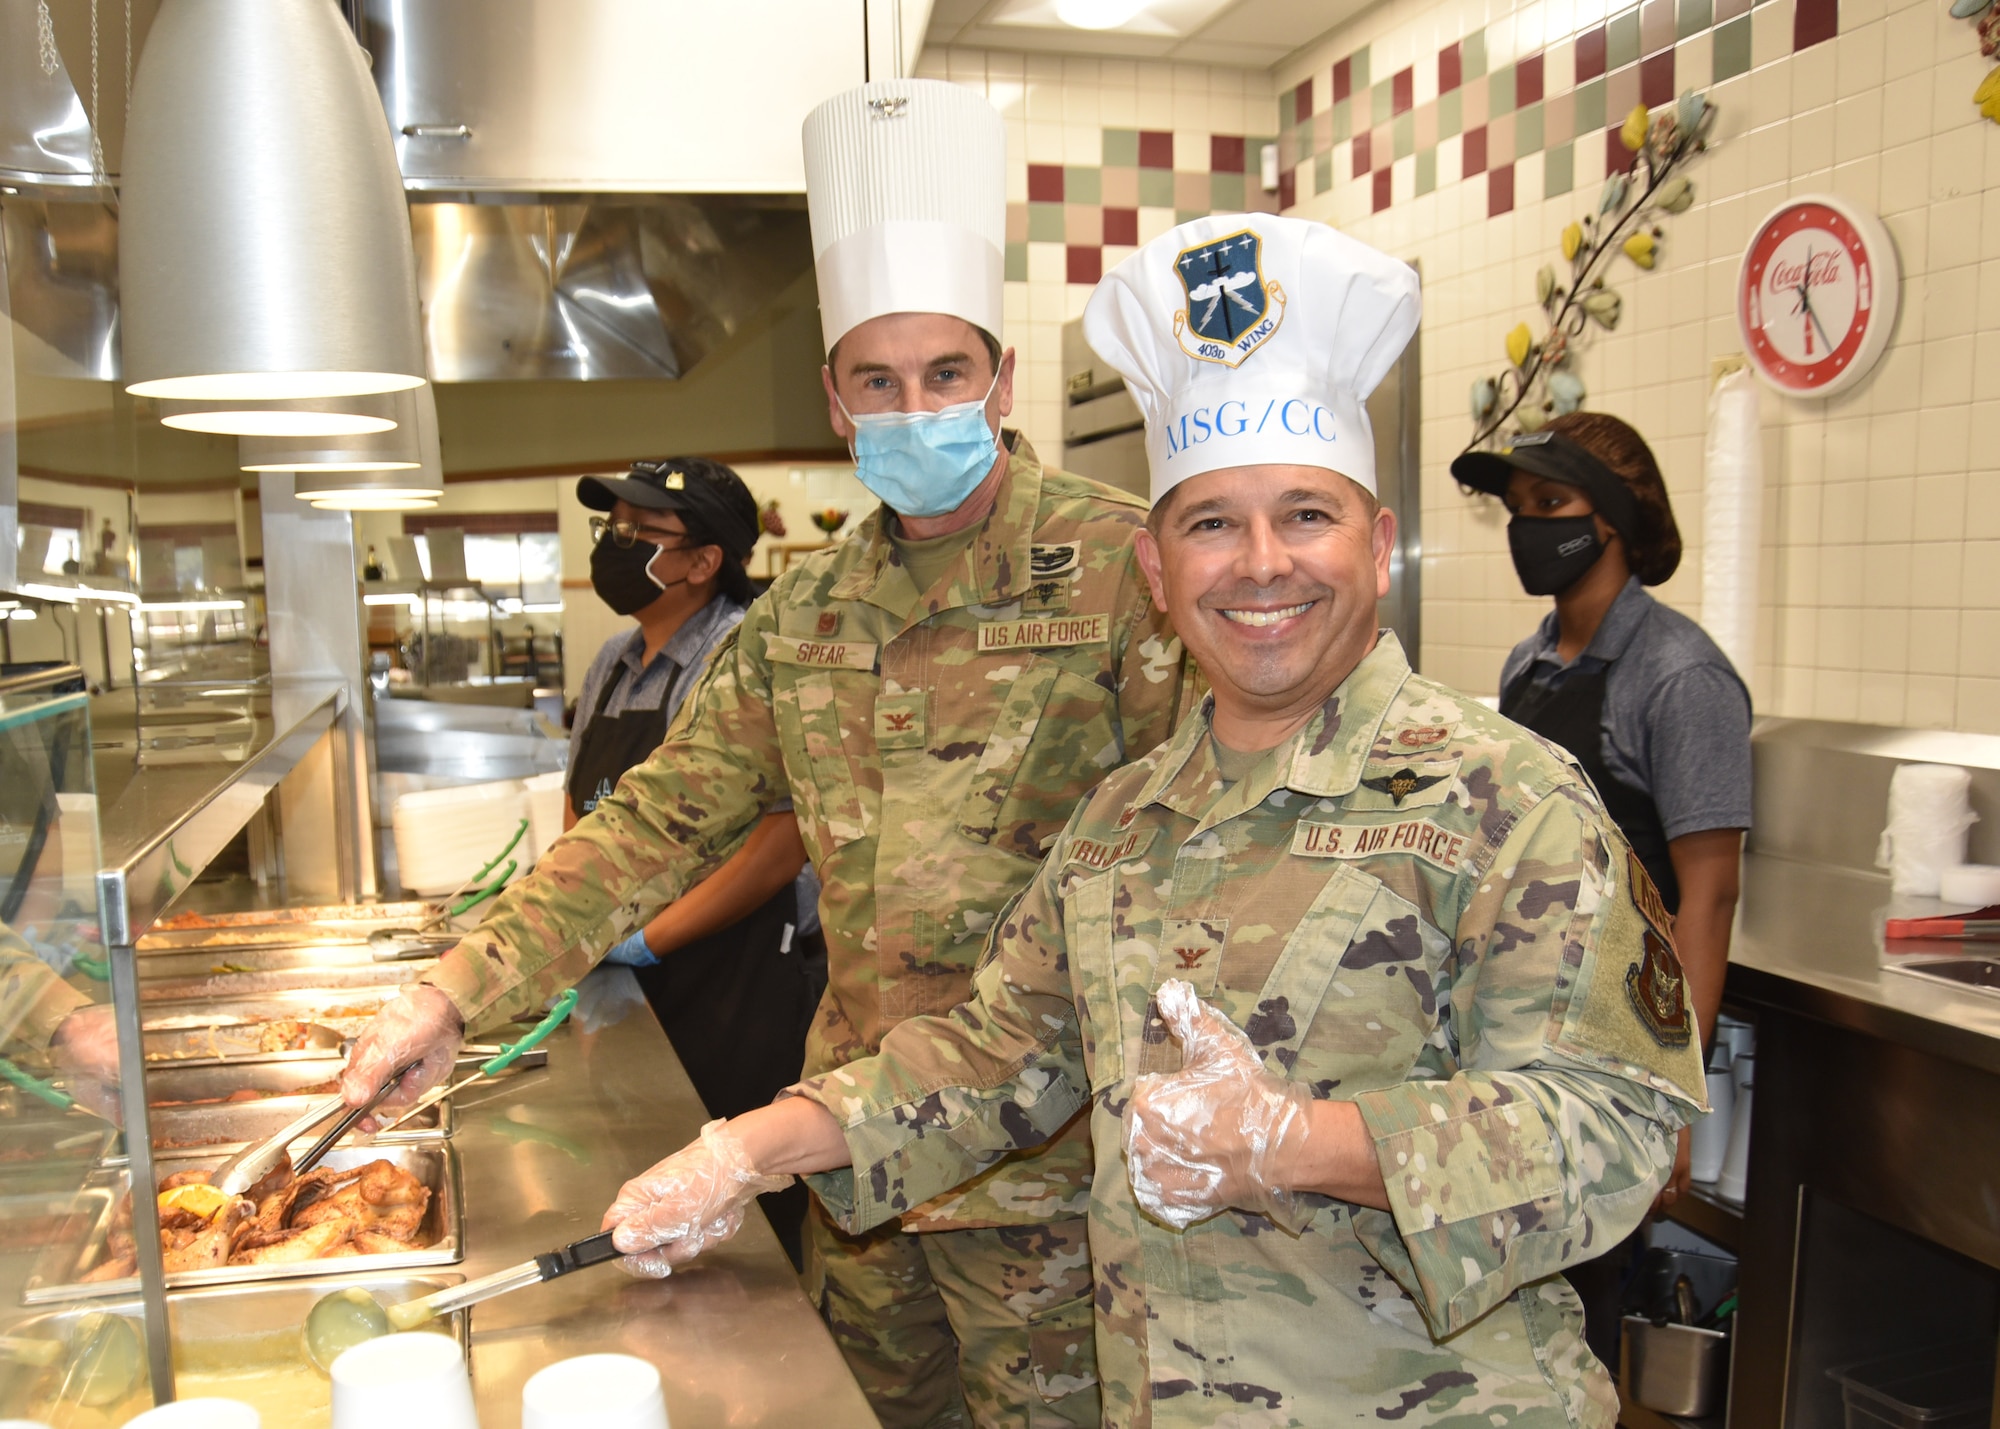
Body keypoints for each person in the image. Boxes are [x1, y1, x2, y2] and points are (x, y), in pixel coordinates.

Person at [588, 215, 1707, 1427]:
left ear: (1378, 549)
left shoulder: (1505, 798)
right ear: (1158, 575)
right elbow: (990, 1056)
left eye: (1306, 515)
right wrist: (746, 1150)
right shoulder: (1121, 827)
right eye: (1212, 523)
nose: (1260, 563)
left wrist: (1299, 1141)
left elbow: (1618, 1130)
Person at [340, 77, 1193, 1429]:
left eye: (946, 375)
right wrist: (453, 994)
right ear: (836, 401)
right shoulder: (808, 616)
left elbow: (1203, 871)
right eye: (878, 381)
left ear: (1000, 379)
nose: (914, 408)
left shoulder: (1126, 571)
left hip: (1057, 1172)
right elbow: (651, 823)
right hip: (850, 1165)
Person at [1451, 416, 1750, 1369]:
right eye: (1516, 509)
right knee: (1511, 1314)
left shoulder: (1681, 676)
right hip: (1516, 1034)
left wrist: (1669, 1096)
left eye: (1550, 505)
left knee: (1582, 1315)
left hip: (1616, 1045)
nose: (1526, 526)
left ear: (1613, 520)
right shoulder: (1527, 665)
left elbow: (1707, 895)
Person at [566, 455, 818, 1266]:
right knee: (649, 1189)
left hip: (736, 979)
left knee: (737, 1211)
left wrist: (648, 939)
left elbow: (780, 843)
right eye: (614, 527)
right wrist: (575, 916)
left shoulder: (739, 661)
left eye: (641, 531)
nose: (617, 544)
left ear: (705, 561)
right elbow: (585, 815)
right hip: (636, 980)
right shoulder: (612, 662)